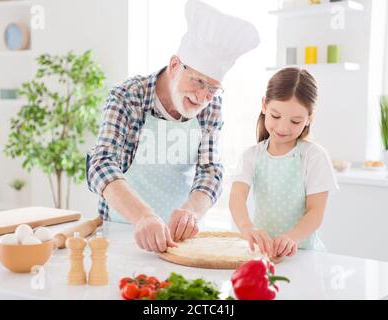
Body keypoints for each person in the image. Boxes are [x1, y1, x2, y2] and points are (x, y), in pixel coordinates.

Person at [87, 0, 260, 253]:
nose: (202, 97)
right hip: (123, 231)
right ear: (175, 65)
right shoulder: (128, 97)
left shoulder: (212, 105)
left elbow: (210, 170)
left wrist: (191, 212)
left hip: (180, 241)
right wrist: (144, 216)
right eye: (198, 81)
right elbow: (101, 164)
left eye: (212, 88)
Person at [229, 67, 339, 258]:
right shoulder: (251, 156)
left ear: (309, 118)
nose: (283, 127)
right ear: (264, 105)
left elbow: (316, 212)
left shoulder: (313, 156)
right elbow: (236, 198)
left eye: (295, 121)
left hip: (304, 255)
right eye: (276, 116)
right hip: (265, 255)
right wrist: (247, 227)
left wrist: (292, 238)